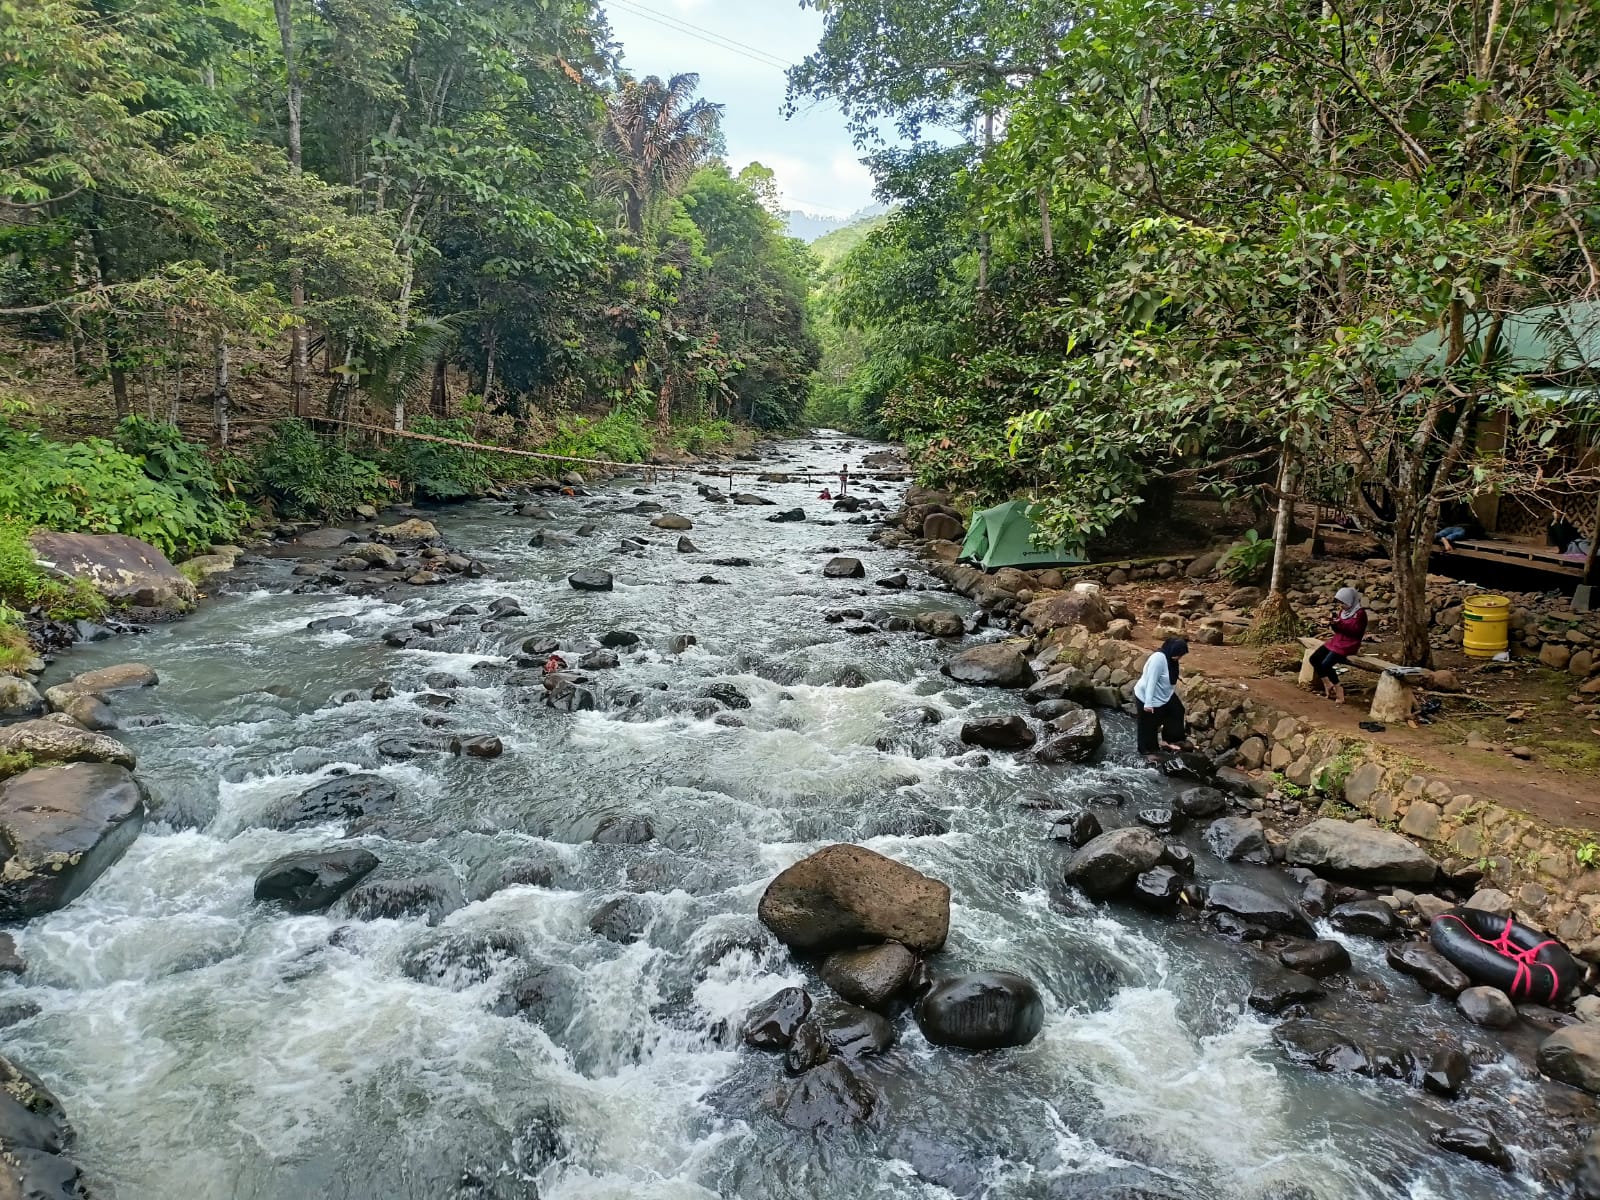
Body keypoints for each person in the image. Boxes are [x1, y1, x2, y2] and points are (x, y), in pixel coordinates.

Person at [1310, 587, 1368, 704]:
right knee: (1314, 658)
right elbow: (1338, 630)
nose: (1341, 605)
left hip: (1349, 643)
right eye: (1340, 603)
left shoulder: (1360, 614)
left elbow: (1355, 632)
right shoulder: (1343, 612)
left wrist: (1339, 623)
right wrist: (1333, 623)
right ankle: (1327, 683)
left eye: (1344, 603)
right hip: (1337, 640)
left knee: (1326, 664)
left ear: (1350, 601)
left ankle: (1339, 689)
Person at [1134, 638, 1189, 760]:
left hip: (1164, 695)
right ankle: (1146, 751)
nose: (1179, 658)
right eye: (1178, 655)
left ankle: (1170, 740)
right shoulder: (1158, 659)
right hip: (1146, 696)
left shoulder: (1171, 659)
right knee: (1148, 724)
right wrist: (1148, 703)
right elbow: (1151, 681)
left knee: (1177, 711)